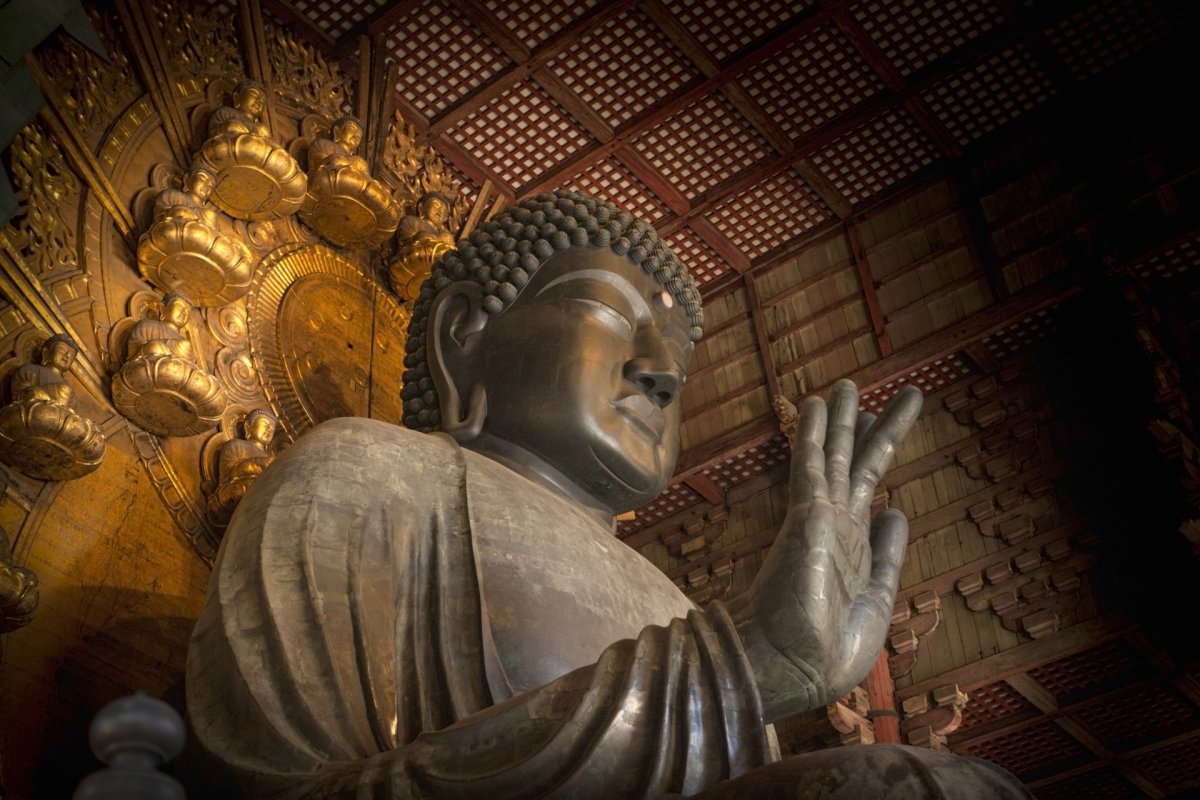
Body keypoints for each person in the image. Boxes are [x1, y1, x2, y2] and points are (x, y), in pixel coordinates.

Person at [186, 189, 1031, 798]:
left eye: (678, 355)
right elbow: (266, 792)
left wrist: (746, 667)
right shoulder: (370, 474)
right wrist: (733, 666)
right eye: (608, 309)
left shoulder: (674, 604)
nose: (661, 371)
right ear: (463, 338)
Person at [206, 410, 277, 526]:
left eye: (272, 429)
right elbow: (232, 473)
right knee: (256, 485)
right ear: (248, 427)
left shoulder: (269, 457)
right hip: (232, 491)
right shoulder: (236, 445)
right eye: (265, 424)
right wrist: (262, 464)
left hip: (260, 495)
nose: (269, 429)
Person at [388, 190, 455, 300]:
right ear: (421, 208)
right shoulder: (412, 221)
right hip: (412, 262)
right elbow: (404, 242)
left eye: (443, 211)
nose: (439, 212)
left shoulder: (443, 234)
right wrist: (425, 238)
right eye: (436, 206)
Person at [11, 334, 80, 406]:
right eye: (61, 350)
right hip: (32, 411)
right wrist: (43, 393)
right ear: (46, 352)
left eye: (71, 356)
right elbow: (20, 396)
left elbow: (70, 412)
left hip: (58, 415)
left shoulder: (70, 390)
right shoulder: (29, 371)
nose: (67, 356)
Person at [126, 292, 196, 363]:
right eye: (179, 306)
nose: (183, 313)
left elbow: (192, 366)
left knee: (185, 345)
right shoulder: (147, 325)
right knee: (155, 346)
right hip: (148, 366)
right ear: (163, 307)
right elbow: (134, 355)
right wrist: (157, 346)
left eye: (188, 312)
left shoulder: (184, 341)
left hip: (178, 370)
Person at [152, 167, 221, 227]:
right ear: (187, 178)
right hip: (172, 233)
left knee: (210, 214)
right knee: (183, 213)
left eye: (211, 185)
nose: (206, 186)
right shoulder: (172, 196)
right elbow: (160, 218)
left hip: (199, 238)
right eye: (202, 178)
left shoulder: (208, 214)